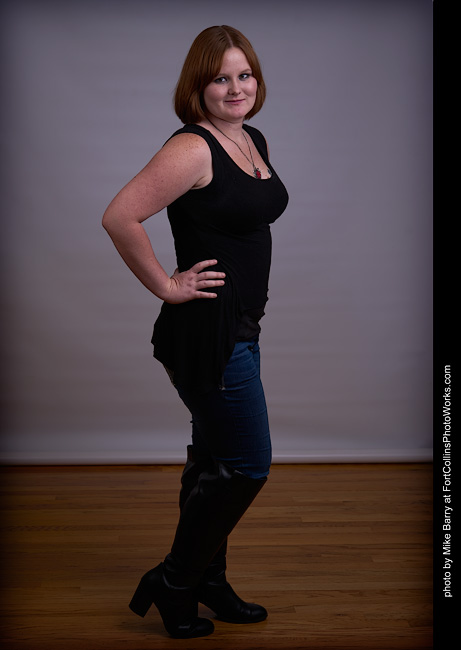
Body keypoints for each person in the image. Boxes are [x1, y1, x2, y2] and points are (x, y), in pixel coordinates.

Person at [102, 25, 289, 639]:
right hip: (210, 334)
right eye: (220, 78)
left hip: (240, 327)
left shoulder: (250, 138)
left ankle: (208, 581)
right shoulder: (193, 148)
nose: (236, 88)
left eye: (244, 74)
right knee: (246, 466)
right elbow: (120, 216)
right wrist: (165, 284)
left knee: (213, 461)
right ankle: (175, 581)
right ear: (198, 87)